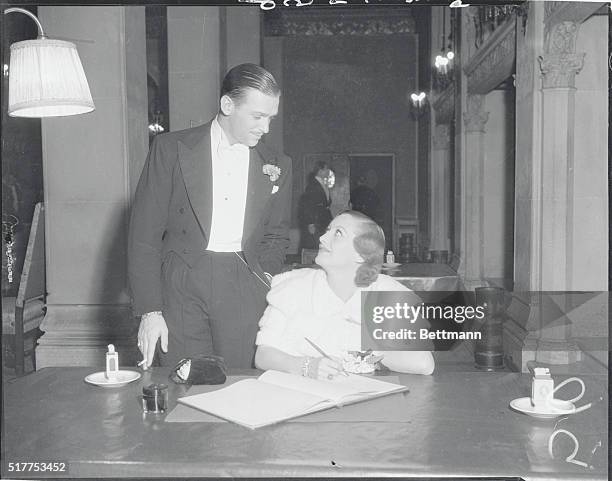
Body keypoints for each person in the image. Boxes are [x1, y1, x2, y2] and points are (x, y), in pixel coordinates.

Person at [128, 63, 292, 369]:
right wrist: (150, 312)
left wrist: (263, 277)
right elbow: (144, 237)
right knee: (184, 383)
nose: (266, 128)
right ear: (227, 105)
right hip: (181, 281)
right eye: (257, 116)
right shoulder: (170, 149)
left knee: (241, 386)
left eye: (271, 118)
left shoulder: (277, 163)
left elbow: (276, 234)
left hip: (244, 281)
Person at [255, 210, 434, 379]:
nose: (322, 238)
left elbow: (422, 363)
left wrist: (364, 354)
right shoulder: (292, 287)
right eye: (327, 231)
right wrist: (306, 366)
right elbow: (262, 355)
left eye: (338, 233)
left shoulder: (387, 292)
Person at [298, 161, 334, 250]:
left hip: (323, 220)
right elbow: (307, 205)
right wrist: (311, 223)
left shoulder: (322, 184)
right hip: (317, 221)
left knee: (322, 245)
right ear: (320, 170)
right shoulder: (313, 186)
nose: (328, 172)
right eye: (326, 169)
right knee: (315, 246)